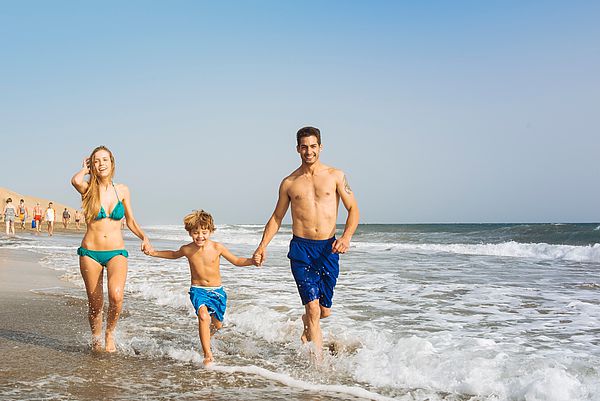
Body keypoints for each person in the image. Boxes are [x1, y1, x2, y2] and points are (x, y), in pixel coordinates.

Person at [253, 126, 359, 362]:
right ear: (297, 149)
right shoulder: (289, 183)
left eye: (313, 146)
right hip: (301, 249)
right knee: (312, 309)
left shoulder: (336, 176)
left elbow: (353, 209)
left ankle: (307, 325)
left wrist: (346, 237)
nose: (308, 151)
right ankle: (317, 364)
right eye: (304, 146)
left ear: (320, 147)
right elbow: (277, 217)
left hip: (327, 249)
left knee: (324, 311)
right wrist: (262, 246)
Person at [145, 210, 257, 365]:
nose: (200, 236)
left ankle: (205, 338)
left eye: (204, 232)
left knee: (217, 324)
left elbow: (237, 261)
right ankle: (207, 354)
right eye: (195, 232)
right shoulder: (188, 249)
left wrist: (252, 261)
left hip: (217, 291)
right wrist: (153, 252)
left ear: (210, 231)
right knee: (204, 317)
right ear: (190, 232)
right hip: (198, 290)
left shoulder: (218, 248)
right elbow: (173, 254)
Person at [71, 145, 152, 352]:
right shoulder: (88, 188)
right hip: (90, 253)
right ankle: (96, 337)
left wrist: (144, 237)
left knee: (116, 296)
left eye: (105, 159)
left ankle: (109, 333)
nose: (101, 164)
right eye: (96, 160)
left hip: (117, 251)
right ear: (92, 164)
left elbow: (131, 221)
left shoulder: (122, 190)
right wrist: (85, 169)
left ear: (112, 162)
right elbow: (75, 181)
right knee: (95, 304)